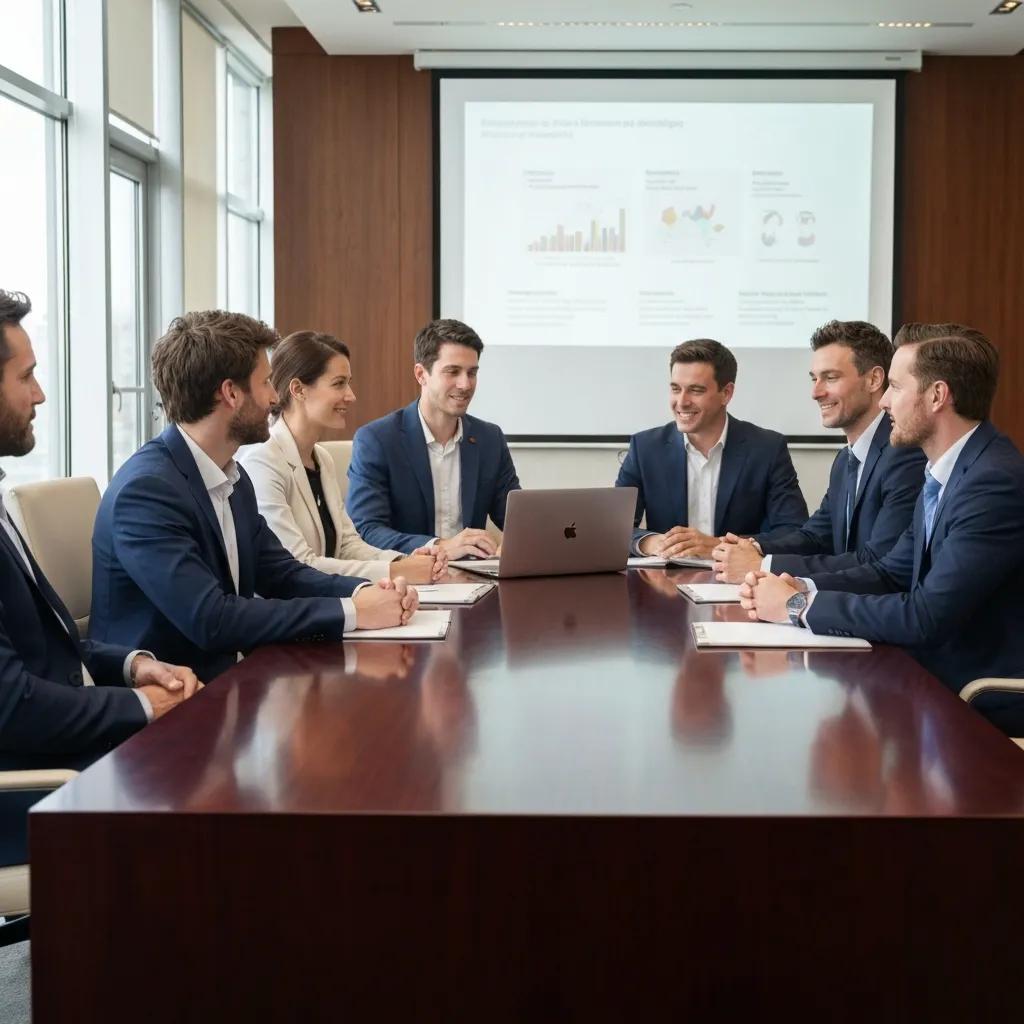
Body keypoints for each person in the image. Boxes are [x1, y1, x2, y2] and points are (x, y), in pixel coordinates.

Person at [90, 311, 418, 683]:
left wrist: (370, 591)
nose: (275, 397)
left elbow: (282, 573)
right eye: (266, 383)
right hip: (168, 708)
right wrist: (354, 611)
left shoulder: (232, 475)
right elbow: (212, 619)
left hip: (225, 685)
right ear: (231, 393)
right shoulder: (147, 491)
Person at [738, 323, 1024, 734]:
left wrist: (796, 609)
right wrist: (801, 588)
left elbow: (926, 616)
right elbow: (890, 572)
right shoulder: (947, 471)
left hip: (975, 695)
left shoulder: (990, 483)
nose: (885, 401)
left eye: (895, 386)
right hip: (929, 674)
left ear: (937, 395)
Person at [0, 290, 198, 864]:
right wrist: (141, 707)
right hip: (30, 790)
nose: (40, 394)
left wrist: (134, 664)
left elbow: (45, 648)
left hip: (57, 751)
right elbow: (10, 705)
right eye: (26, 377)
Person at [713, 320, 925, 582]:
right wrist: (752, 548)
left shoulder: (904, 455)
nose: (816, 392)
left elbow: (877, 560)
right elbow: (815, 536)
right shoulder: (845, 460)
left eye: (831, 377)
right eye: (814, 379)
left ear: (873, 379)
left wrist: (764, 564)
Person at [239, 330, 447, 584]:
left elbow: (347, 544)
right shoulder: (262, 463)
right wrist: (396, 572)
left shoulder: (322, 458)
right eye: (339, 383)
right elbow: (297, 563)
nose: (351, 395)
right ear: (298, 389)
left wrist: (403, 561)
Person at [615, 338, 808, 559]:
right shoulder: (645, 448)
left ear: (726, 393)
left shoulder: (767, 449)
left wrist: (718, 546)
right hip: (665, 583)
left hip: (740, 583)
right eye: (676, 389)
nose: (682, 401)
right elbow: (613, 529)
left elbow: (795, 533)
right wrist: (650, 542)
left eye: (695, 391)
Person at [346, 318, 520, 558]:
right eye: (453, 372)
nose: (465, 384)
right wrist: (440, 546)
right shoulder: (377, 440)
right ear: (421, 374)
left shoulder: (490, 439)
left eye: (472, 373)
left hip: (474, 577)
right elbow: (366, 531)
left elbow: (517, 522)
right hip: (407, 581)